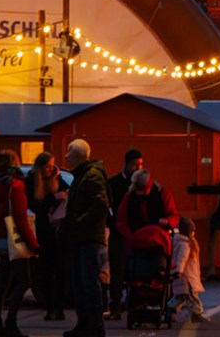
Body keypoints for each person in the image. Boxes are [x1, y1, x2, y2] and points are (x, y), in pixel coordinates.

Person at [62, 138, 111, 337]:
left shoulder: (90, 176)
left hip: (88, 237)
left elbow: (100, 206)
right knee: (82, 283)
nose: (66, 158)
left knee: (88, 283)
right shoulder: (86, 175)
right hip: (83, 236)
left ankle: (94, 326)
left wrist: (76, 222)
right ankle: (86, 325)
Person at [0, 152, 38, 337]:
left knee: (2, 283)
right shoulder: (17, 186)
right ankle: (11, 324)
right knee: (24, 281)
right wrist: (34, 244)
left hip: (2, 237)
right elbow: (20, 219)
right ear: (15, 164)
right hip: (14, 240)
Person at [29, 151, 70, 322]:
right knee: (45, 271)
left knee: (60, 271)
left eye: (53, 166)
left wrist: (62, 195)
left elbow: (67, 192)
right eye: (47, 166)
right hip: (44, 231)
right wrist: (54, 198)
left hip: (58, 230)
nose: (51, 169)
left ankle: (58, 307)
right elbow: (35, 206)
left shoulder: (58, 179)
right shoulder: (33, 182)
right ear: (40, 168)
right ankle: (49, 307)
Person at [105, 149, 143, 318]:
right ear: (126, 164)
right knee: (117, 269)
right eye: (135, 164)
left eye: (140, 165)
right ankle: (115, 303)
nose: (137, 168)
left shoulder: (142, 183)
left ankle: (133, 301)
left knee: (136, 268)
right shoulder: (114, 183)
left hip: (136, 231)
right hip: (119, 231)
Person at [121, 168, 179, 235]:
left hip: (160, 237)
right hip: (136, 238)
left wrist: (168, 221)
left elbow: (174, 216)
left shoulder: (163, 194)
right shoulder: (129, 197)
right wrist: (132, 237)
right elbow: (121, 222)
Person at [170, 218, 204, 320]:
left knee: (179, 297)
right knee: (193, 296)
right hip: (187, 276)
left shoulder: (176, 241)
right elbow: (182, 259)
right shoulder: (185, 244)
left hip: (181, 276)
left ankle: (169, 308)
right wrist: (179, 271)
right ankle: (197, 312)